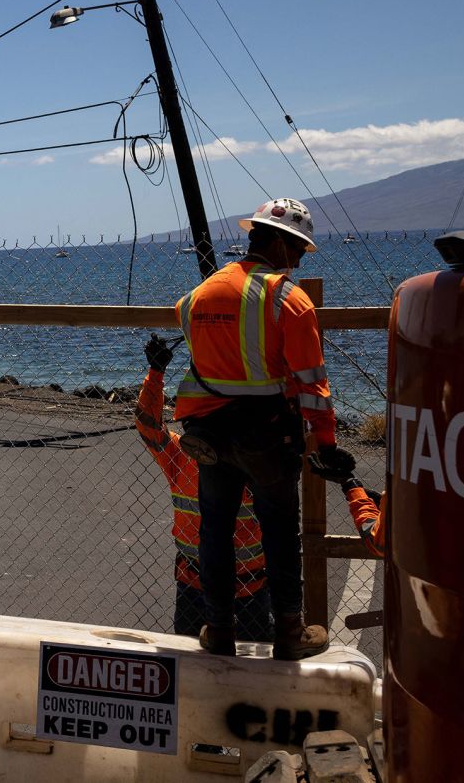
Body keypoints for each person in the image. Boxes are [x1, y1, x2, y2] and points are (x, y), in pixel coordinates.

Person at [172, 198, 353, 661]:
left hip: (210, 435)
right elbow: (313, 384)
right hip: (267, 435)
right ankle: (290, 634)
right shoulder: (288, 299)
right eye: (297, 249)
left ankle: (219, 630)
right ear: (277, 241)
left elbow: (208, 361)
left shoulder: (195, 298)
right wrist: (326, 443)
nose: (298, 260)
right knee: (278, 531)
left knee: (215, 531)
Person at [138, 334, 274, 641]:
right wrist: (155, 374)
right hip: (197, 585)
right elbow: (148, 425)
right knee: (192, 667)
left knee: (252, 671)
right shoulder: (182, 455)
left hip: (247, 588)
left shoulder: (251, 456)